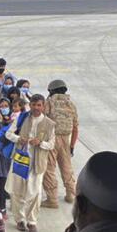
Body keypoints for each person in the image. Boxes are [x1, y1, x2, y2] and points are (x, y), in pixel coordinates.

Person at [4, 94, 57, 232]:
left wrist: (40, 143)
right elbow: (8, 134)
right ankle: (19, 219)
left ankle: (32, 222)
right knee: (17, 191)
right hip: (20, 161)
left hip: (37, 163)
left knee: (35, 193)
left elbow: (52, 145)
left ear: (43, 106)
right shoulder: (21, 118)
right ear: (30, 105)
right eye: (34, 105)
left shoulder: (50, 124)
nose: (36, 108)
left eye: (39, 105)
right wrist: (19, 139)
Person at [42, 79, 79, 209]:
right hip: (66, 139)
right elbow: (75, 128)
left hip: (51, 139)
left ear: (51, 90)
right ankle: (71, 195)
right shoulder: (71, 105)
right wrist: (72, 146)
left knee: (49, 169)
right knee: (67, 167)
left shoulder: (49, 103)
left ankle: (52, 199)